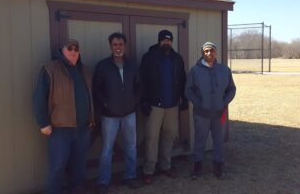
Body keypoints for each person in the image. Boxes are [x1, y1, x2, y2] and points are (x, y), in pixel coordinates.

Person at [33, 39, 95, 194]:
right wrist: (43, 122)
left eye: (76, 49)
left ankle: (77, 190)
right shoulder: (50, 69)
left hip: (83, 128)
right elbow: (39, 97)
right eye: (70, 48)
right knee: (58, 166)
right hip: (60, 129)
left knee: (79, 165)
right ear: (62, 51)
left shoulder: (85, 70)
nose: (73, 52)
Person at [93, 32, 141, 194]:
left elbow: (138, 86)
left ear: (125, 46)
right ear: (110, 46)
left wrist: (134, 102)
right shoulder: (103, 66)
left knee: (131, 147)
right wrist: (106, 104)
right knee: (107, 149)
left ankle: (130, 176)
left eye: (120, 44)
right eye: (115, 44)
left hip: (129, 113)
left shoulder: (132, 64)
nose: (118, 47)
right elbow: (96, 89)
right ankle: (103, 181)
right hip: (109, 115)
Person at [140, 29, 188, 184]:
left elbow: (182, 79)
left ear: (172, 41)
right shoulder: (149, 58)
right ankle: (149, 170)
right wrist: (144, 101)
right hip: (155, 106)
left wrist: (184, 99)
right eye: (164, 40)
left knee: (169, 136)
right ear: (159, 40)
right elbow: (142, 81)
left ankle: (166, 166)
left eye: (169, 40)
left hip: (172, 105)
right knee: (151, 138)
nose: (166, 43)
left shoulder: (177, 58)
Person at [185, 41, 236, 180]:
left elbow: (232, 89)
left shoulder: (224, 70)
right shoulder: (195, 71)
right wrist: (198, 102)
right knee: (200, 140)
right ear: (203, 53)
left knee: (218, 140)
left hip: (219, 113)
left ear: (216, 52)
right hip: (201, 113)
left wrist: (224, 102)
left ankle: (218, 166)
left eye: (211, 50)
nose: (209, 53)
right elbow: (188, 90)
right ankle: (197, 166)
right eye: (206, 51)